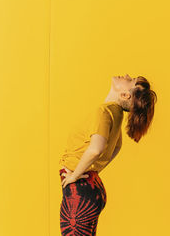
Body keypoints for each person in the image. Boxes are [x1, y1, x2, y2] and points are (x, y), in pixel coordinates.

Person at [58, 74, 157, 236]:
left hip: (80, 192)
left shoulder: (103, 112)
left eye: (130, 80)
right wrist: (91, 170)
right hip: (90, 187)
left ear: (125, 95)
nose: (126, 75)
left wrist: (75, 175)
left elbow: (96, 149)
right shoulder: (114, 113)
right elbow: (116, 147)